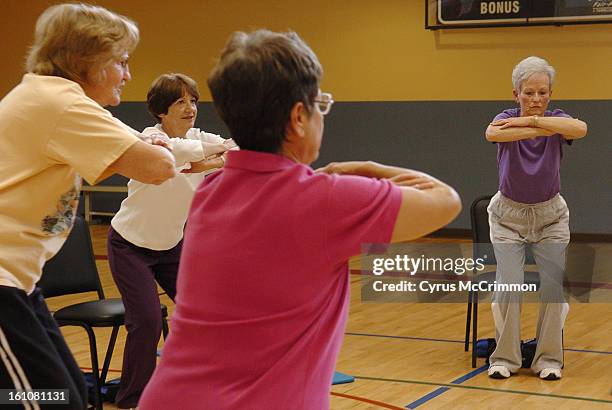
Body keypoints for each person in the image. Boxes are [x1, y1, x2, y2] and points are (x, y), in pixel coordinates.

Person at [139, 29, 461, 409]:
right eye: (319, 106)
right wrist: (367, 168)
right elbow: (445, 201)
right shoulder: (326, 200)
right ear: (298, 118)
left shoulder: (210, 193)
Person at [0, 4, 176, 409]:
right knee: (47, 401)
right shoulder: (62, 105)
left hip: (19, 283)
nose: (128, 74)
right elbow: (158, 166)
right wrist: (159, 146)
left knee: (69, 394)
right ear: (89, 61)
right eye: (122, 61)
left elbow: (138, 148)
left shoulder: (50, 96)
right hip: (3, 285)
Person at [107, 73, 235, 409]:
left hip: (172, 246)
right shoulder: (152, 140)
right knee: (148, 321)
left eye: (192, 101)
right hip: (130, 244)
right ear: (162, 111)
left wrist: (214, 161)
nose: (190, 108)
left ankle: (202, 384)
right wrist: (209, 157)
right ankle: (133, 397)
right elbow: (180, 151)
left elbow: (238, 150)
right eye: (180, 102)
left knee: (206, 313)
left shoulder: (199, 136)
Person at [484, 56, 587, 380]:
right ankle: (505, 358)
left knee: (553, 289)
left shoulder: (557, 120)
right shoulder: (504, 118)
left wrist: (538, 122)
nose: (537, 100)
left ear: (550, 94)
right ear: (515, 94)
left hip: (550, 217)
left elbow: (580, 128)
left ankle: (548, 360)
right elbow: (493, 134)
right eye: (529, 93)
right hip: (507, 218)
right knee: (508, 286)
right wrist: (527, 124)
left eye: (543, 93)